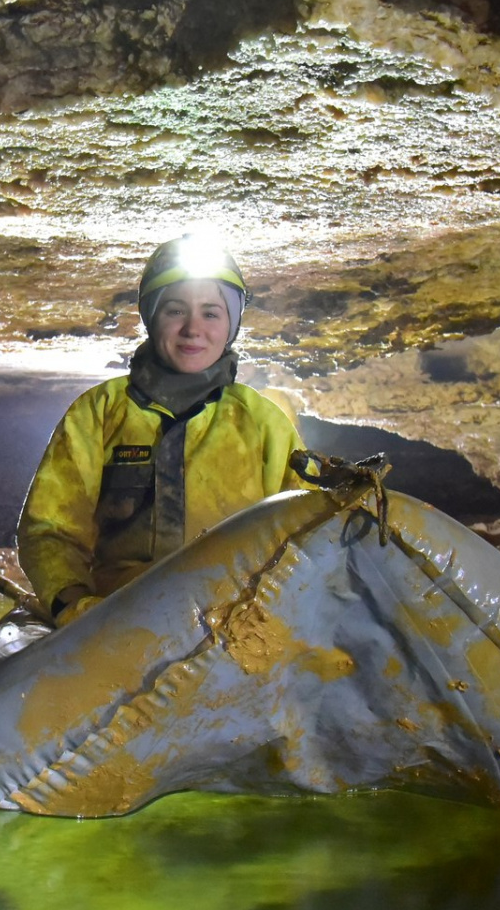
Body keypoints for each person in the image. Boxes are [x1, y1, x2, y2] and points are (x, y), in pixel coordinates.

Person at [18, 236, 305, 627]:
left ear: (231, 325)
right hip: (115, 626)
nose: (193, 329)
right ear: (152, 316)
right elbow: (50, 529)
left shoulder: (264, 422)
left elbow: (306, 533)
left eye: (211, 313)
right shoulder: (99, 412)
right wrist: (73, 606)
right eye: (175, 310)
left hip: (235, 632)